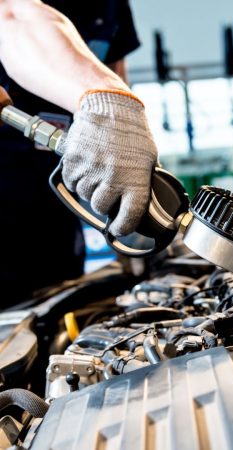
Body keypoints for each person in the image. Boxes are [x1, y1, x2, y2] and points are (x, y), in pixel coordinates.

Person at [0, 0, 158, 304]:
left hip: (57, 210)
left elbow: (117, 77)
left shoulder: (111, 6)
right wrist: (106, 100)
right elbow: (13, 18)